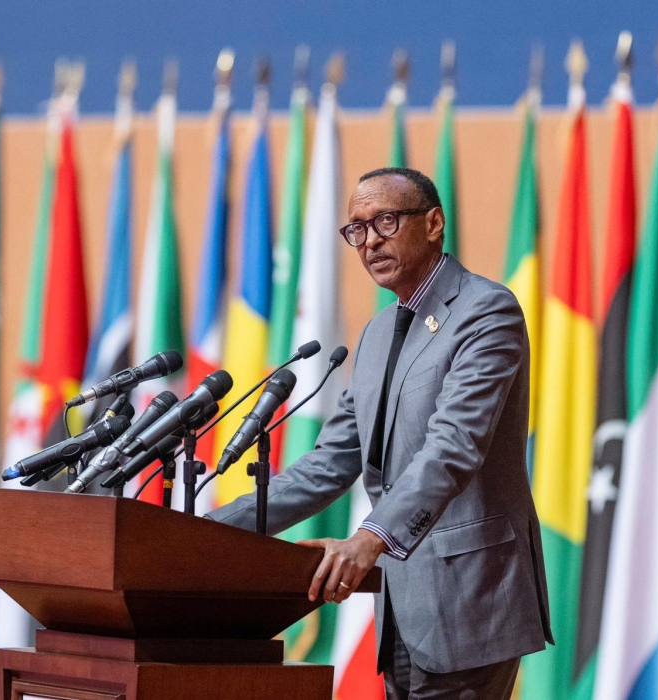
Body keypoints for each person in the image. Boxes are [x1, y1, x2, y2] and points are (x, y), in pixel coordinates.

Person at [207, 167, 552, 699]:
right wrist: (207, 532)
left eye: (385, 222)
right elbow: (329, 463)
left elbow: (453, 447)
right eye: (357, 229)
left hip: (471, 599)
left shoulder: (485, 312)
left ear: (433, 223)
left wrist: (370, 538)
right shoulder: (376, 334)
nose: (369, 242)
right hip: (402, 608)